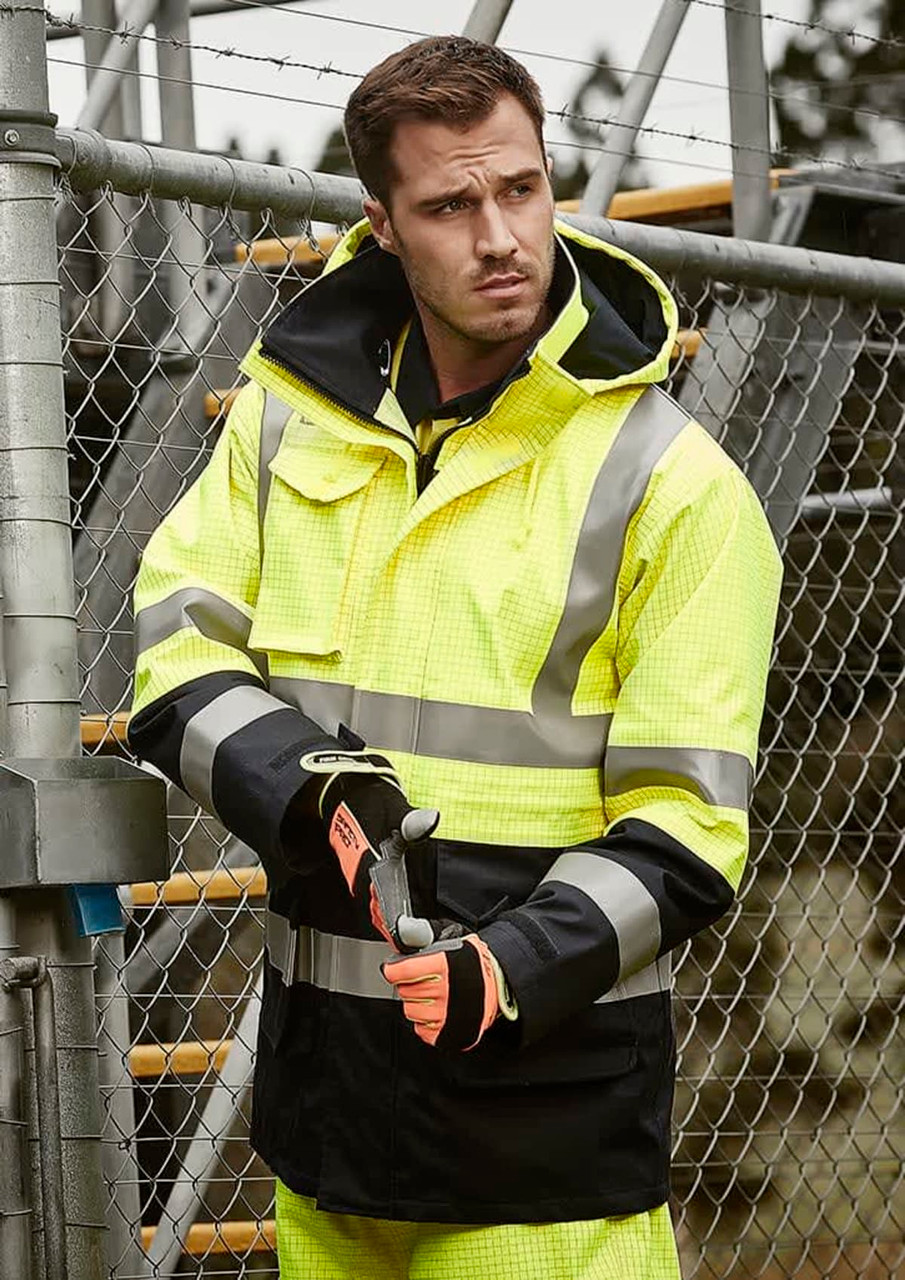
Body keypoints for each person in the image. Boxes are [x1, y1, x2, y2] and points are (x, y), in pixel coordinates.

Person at [128, 34, 782, 1280]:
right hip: (327, 1142)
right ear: (381, 227)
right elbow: (171, 642)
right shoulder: (284, 418)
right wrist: (296, 782)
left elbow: (691, 826)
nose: (500, 237)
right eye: (450, 204)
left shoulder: (670, 484)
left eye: (522, 189)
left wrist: (511, 965)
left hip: (544, 1155)